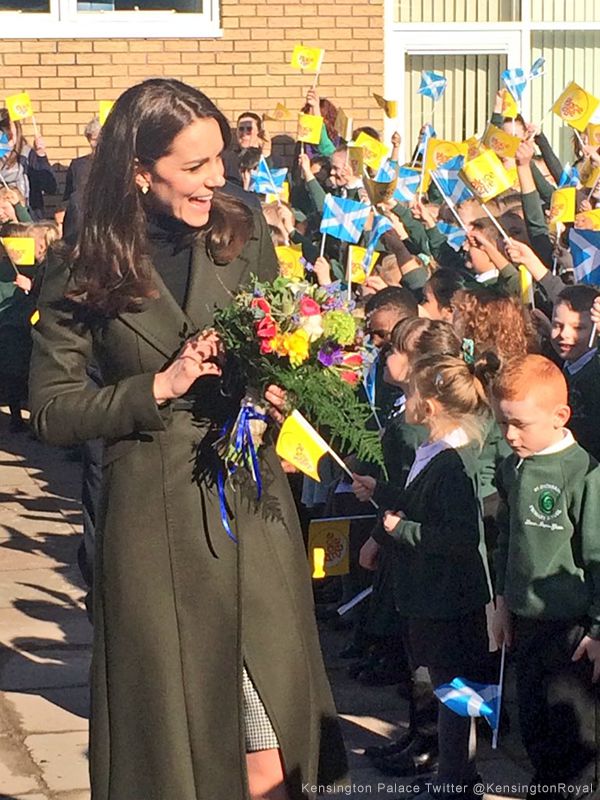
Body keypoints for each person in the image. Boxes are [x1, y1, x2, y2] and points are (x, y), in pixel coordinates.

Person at [28, 78, 347, 800]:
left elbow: (281, 349)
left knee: (277, 751)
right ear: (140, 171)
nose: (217, 181)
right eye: (194, 167)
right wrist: (160, 387)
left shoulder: (244, 230)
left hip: (252, 511)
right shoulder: (82, 267)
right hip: (153, 532)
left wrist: (282, 388)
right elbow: (51, 412)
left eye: (221, 162)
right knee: (178, 754)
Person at [379, 352, 493, 797]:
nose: (405, 399)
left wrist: (402, 530)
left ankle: (458, 779)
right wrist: (384, 492)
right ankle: (455, 774)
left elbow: (459, 536)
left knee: (455, 691)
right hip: (430, 595)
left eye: (410, 392)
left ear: (427, 404)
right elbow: (424, 504)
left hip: (449, 598)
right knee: (447, 686)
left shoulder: (453, 461)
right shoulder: (433, 450)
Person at [491, 354, 600, 792]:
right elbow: (506, 541)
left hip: (573, 632)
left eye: (521, 424)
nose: (511, 435)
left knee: (574, 735)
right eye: (503, 424)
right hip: (525, 620)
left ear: (560, 417)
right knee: (533, 724)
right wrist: (500, 603)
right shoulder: (513, 467)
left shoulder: (584, 475)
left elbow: (596, 555)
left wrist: (597, 627)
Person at [550, 285, 600, 460]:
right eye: (557, 325)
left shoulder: (595, 371)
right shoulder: (556, 363)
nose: (564, 334)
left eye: (578, 328)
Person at [0, 109, 57, 219]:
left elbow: (50, 187)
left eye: (11, 136)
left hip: (30, 218)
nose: (8, 141)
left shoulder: (28, 155)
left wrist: (41, 156)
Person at [63, 116, 101, 202]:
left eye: (100, 139)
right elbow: (68, 197)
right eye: (93, 139)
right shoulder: (77, 166)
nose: (96, 143)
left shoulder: (116, 165)